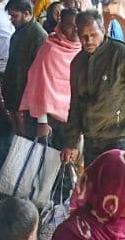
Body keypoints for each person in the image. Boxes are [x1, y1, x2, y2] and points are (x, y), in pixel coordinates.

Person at [61, 11, 125, 167]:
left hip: (121, 137)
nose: (88, 40)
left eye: (93, 34)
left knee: (119, 188)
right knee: (97, 189)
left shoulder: (123, 54)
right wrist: (71, 142)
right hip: (92, 139)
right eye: (83, 36)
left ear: (103, 30)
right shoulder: (77, 63)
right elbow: (75, 105)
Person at [21, 8, 81, 148]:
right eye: (69, 26)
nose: (75, 30)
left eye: (78, 25)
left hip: (71, 118)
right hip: (48, 120)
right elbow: (39, 86)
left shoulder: (83, 50)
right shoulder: (50, 50)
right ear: (60, 26)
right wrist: (42, 122)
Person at [2, 0, 47, 137]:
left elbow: (38, 75)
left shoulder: (39, 36)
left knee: (26, 140)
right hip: (15, 97)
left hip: (26, 101)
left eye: (14, 16)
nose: (12, 20)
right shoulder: (19, 33)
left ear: (27, 14)